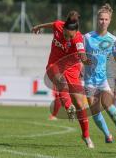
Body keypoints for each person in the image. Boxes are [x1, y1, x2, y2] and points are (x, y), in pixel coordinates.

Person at [32, 11, 94, 148]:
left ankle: (86, 135)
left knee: (80, 104)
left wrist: (85, 61)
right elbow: (52, 24)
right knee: (60, 81)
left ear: (76, 32)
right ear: (63, 29)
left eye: (69, 36)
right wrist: (38, 27)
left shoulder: (78, 39)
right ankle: (68, 107)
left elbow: (82, 53)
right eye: (65, 34)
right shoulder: (58, 25)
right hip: (54, 65)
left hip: (72, 68)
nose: (66, 38)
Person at [84, 3, 116, 144]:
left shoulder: (112, 39)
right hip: (89, 80)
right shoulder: (87, 37)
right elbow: (79, 55)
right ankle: (107, 134)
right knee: (95, 111)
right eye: (101, 19)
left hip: (104, 79)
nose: (103, 22)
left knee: (109, 106)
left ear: (110, 21)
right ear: (97, 20)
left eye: (106, 19)